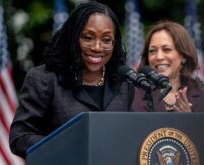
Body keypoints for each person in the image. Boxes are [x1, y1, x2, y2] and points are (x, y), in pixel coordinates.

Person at [9, 2, 134, 158]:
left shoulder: (123, 83)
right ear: (73, 37)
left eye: (106, 40)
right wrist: (67, 147)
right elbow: (20, 137)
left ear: (114, 44)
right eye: (88, 37)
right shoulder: (44, 79)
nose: (97, 47)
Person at [132, 20, 204, 112]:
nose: (159, 57)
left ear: (183, 56)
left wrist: (190, 120)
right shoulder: (133, 99)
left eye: (166, 49)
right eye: (152, 51)